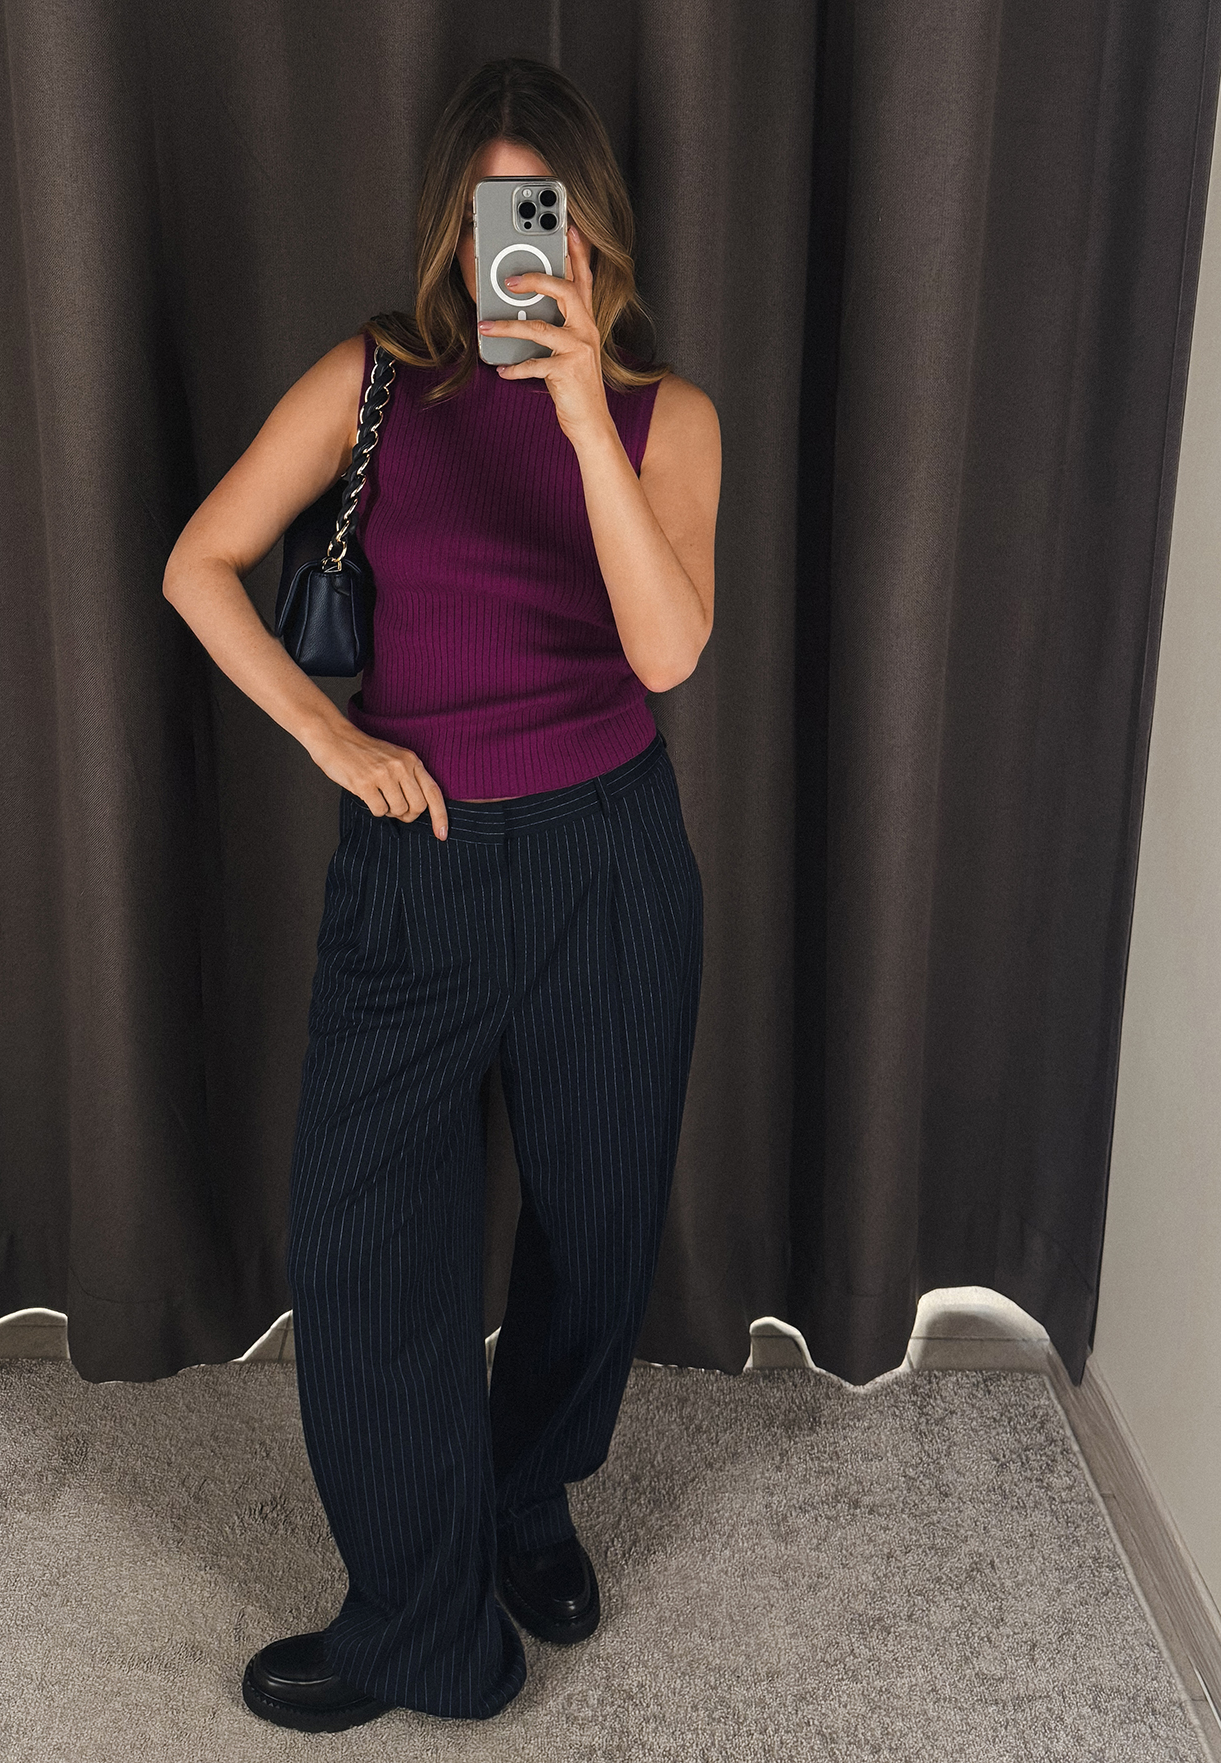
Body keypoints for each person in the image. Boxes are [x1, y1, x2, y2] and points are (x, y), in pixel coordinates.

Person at [162, 55, 720, 1734]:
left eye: (546, 218)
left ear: (593, 231)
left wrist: (579, 412)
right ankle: (421, 1622)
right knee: (359, 1252)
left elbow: (666, 652)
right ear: (451, 234)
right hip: (417, 870)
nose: (523, 253)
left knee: (597, 1229)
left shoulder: (666, 418)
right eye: (493, 220)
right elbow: (198, 564)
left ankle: (525, 1491)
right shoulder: (371, 386)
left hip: (609, 863)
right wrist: (331, 737)